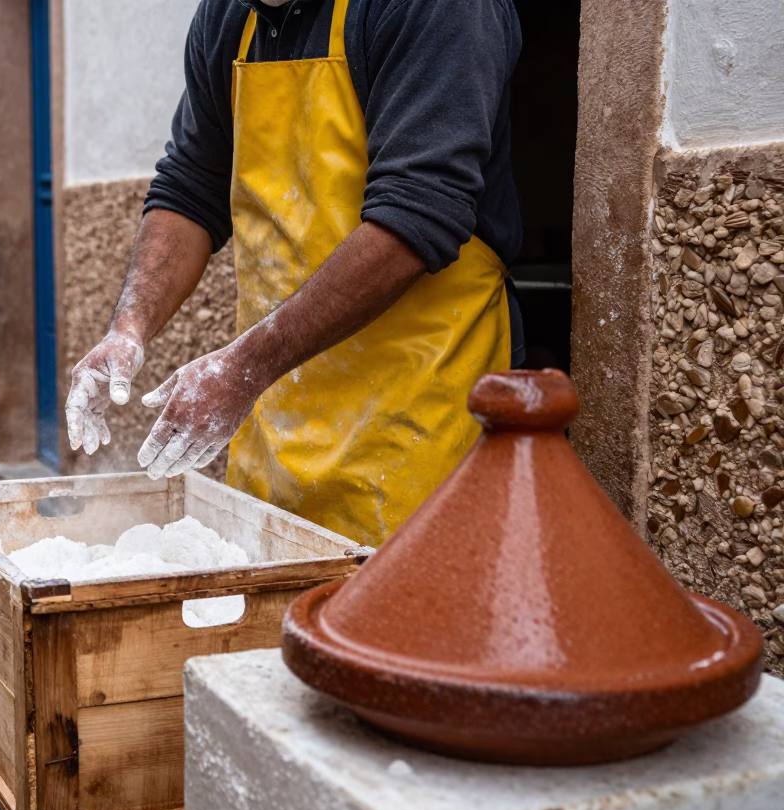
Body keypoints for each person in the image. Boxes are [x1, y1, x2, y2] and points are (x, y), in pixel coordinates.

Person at [66, 0, 526, 546]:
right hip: (275, 434)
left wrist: (241, 368)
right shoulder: (227, 19)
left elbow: (415, 216)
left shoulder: (435, 9)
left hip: (418, 426)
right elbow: (190, 189)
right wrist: (129, 327)